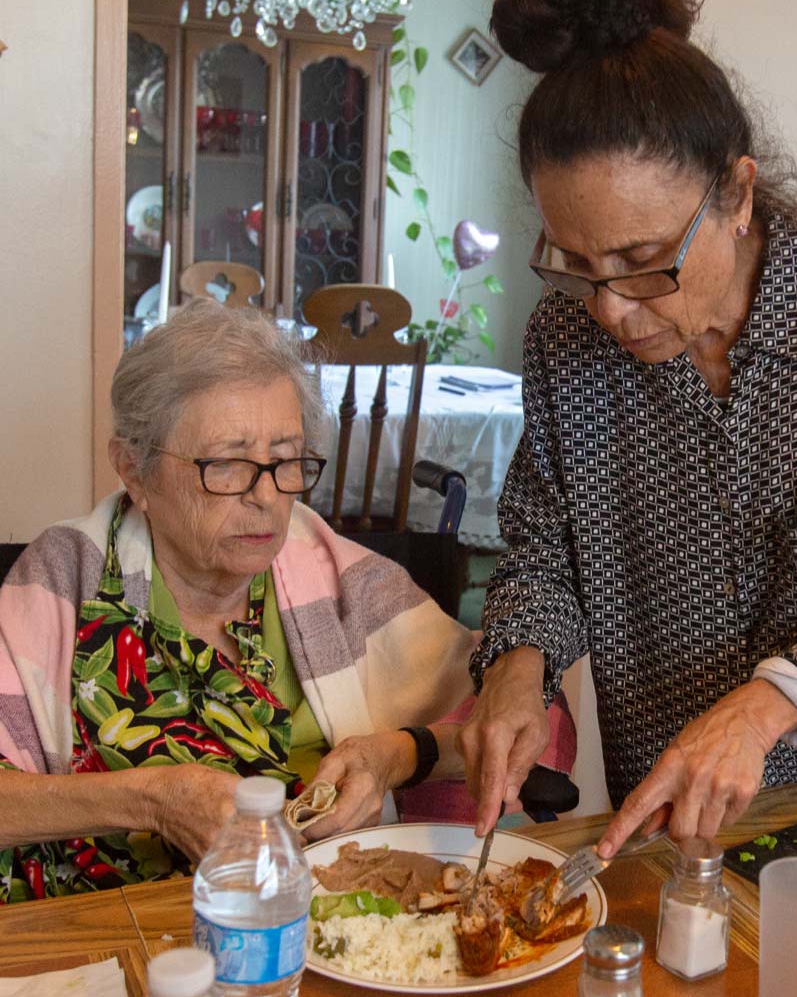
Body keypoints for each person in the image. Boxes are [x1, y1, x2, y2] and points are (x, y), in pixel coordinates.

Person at [459, 0, 797, 854]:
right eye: (575, 261)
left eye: (645, 258)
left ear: (736, 195)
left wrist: (768, 707)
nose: (611, 307)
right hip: (661, 823)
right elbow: (545, 552)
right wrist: (516, 668)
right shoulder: (563, 340)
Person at [0, 301, 574, 901]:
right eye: (225, 465)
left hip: (320, 935)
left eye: (286, 460)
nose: (267, 498)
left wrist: (394, 755)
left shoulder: (342, 583)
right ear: (134, 471)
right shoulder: (63, 580)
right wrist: (152, 799)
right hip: (102, 931)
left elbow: (519, 728)